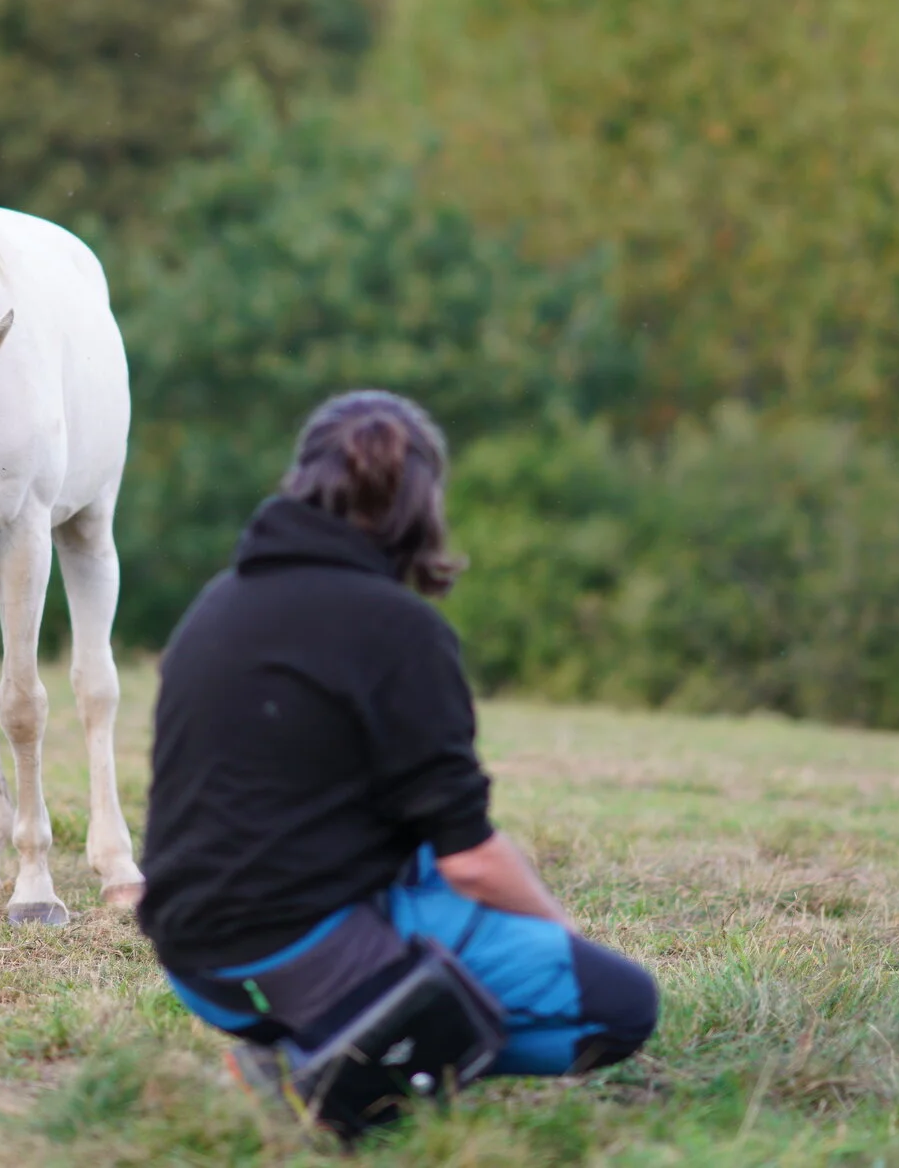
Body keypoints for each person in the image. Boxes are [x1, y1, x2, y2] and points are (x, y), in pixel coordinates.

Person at [135, 390, 658, 1123]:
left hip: (193, 961)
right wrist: (558, 932)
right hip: (294, 957)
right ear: (423, 504)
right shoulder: (403, 632)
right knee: (619, 1008)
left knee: (407, 863)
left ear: (302, 479)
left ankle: (285, 1044)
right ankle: (313, 1068)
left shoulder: (218, 604)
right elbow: (469, 858)